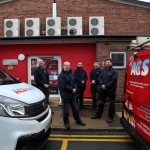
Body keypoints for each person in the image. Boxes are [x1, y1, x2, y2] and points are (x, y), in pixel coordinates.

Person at [58, 61, 86, 129]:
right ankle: (66, 122)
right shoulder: (61, 75)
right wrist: (71, 89)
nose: (67, 67)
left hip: (72, 96)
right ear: (63, 66)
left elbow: (75, 82)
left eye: (68, 65)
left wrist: (75, 88)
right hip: (65, 96)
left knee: (76, 109)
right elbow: (63, 85)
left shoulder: (71, 74)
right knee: (66, 111)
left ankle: (78, 120)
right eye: (66, 65)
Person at [91, 59, 118, 123]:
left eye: (109, 62)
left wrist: (106, 86)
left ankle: (110, 117)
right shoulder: (103, 70)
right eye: (106, 62)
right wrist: (102, 85)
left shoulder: (114, 71)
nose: (107, 63)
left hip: (111, 89)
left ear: (111, 63)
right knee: (101, 102)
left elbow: (113, 80)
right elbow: (100, 78)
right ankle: (98, 115)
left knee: (111, 103)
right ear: (105, 63)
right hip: (103, 89)